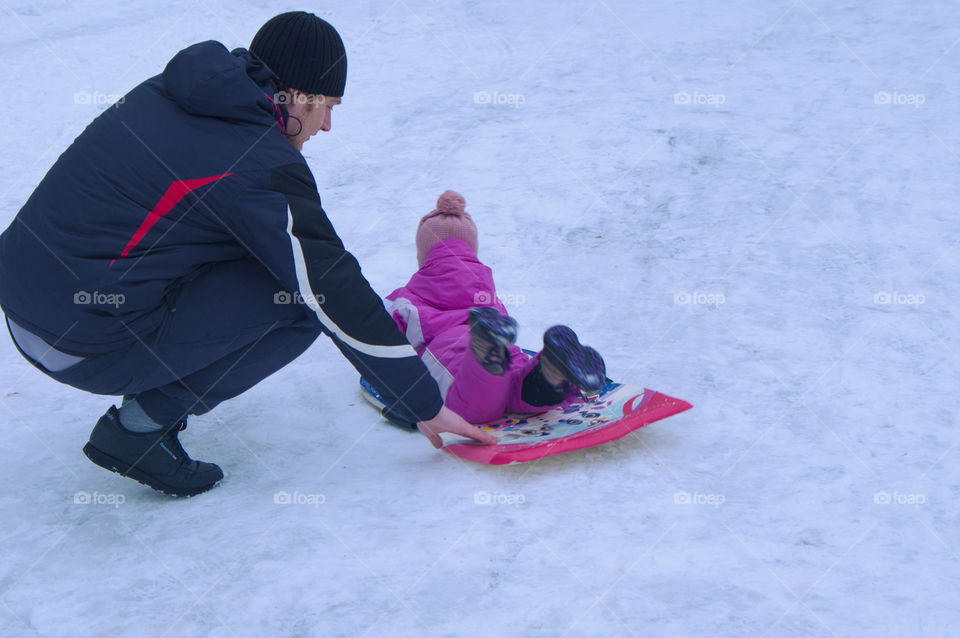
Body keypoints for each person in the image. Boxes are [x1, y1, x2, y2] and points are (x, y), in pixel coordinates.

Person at [0, 12, 494, 497]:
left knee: (264, 252)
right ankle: (138, 431)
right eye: (328, 106)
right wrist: (422, 401)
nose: (326, 127)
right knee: (296, 298)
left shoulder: (174, 93)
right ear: (299, 96)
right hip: (79, 342)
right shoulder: (258, 159)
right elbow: (328, 283)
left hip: (28, 306)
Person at [385, 190, 607, 426]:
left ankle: (485, 355)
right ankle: (551, 371)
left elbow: (385, 342)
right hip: (507, 352)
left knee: (473, 406)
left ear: (423, 256)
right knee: (520, 388)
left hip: (448, 353)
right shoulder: (487, 294)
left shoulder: (405, 298)